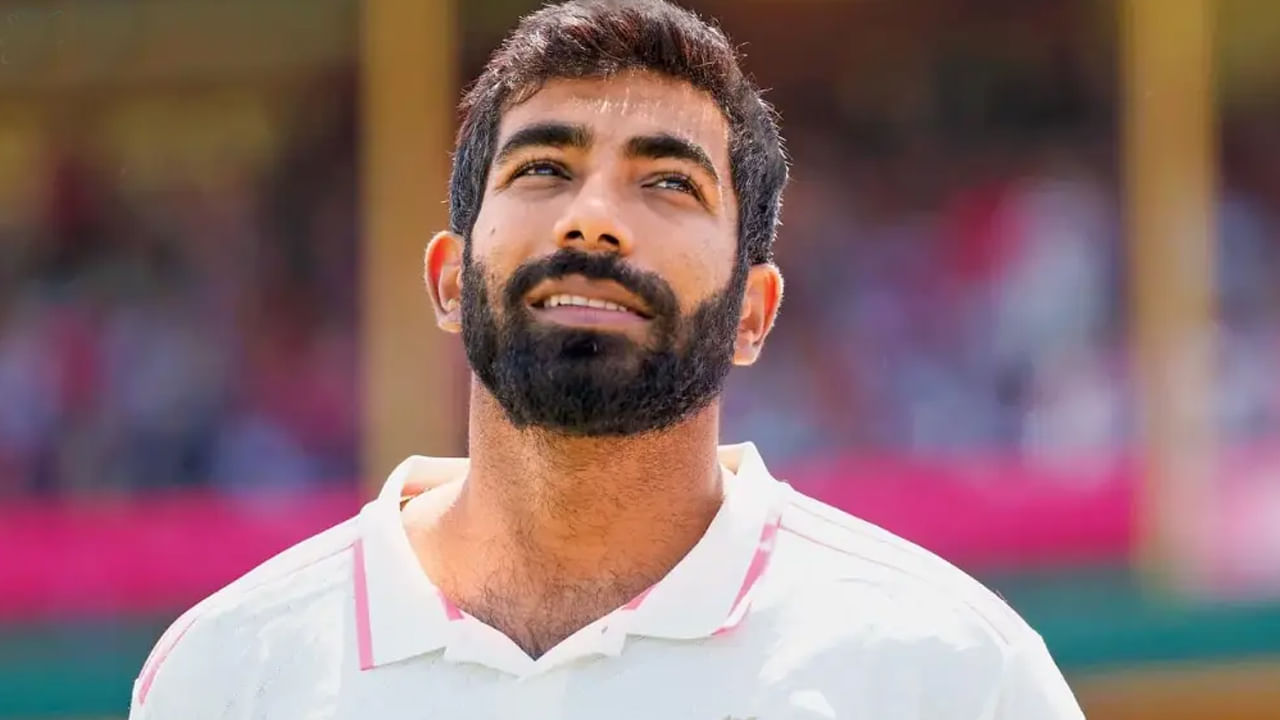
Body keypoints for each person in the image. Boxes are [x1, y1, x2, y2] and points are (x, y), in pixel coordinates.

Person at [129, 1, 1085, 717]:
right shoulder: (225, 676)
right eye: (543, 169)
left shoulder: (951, 674)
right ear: (450, 280)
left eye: (668, 182)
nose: (592, 219)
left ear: (753, 314)